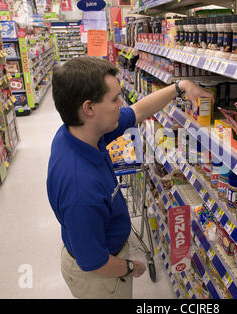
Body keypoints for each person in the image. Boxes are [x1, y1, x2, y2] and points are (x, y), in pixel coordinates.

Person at [46, 57, 212, 299]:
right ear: (89, 108)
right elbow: (93, 261)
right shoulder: (80, 190)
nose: (121, 103)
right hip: (99, 280)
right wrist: (131, 267)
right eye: (114, 99)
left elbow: (138, 110)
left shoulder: (79, 131)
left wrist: (181, 86)